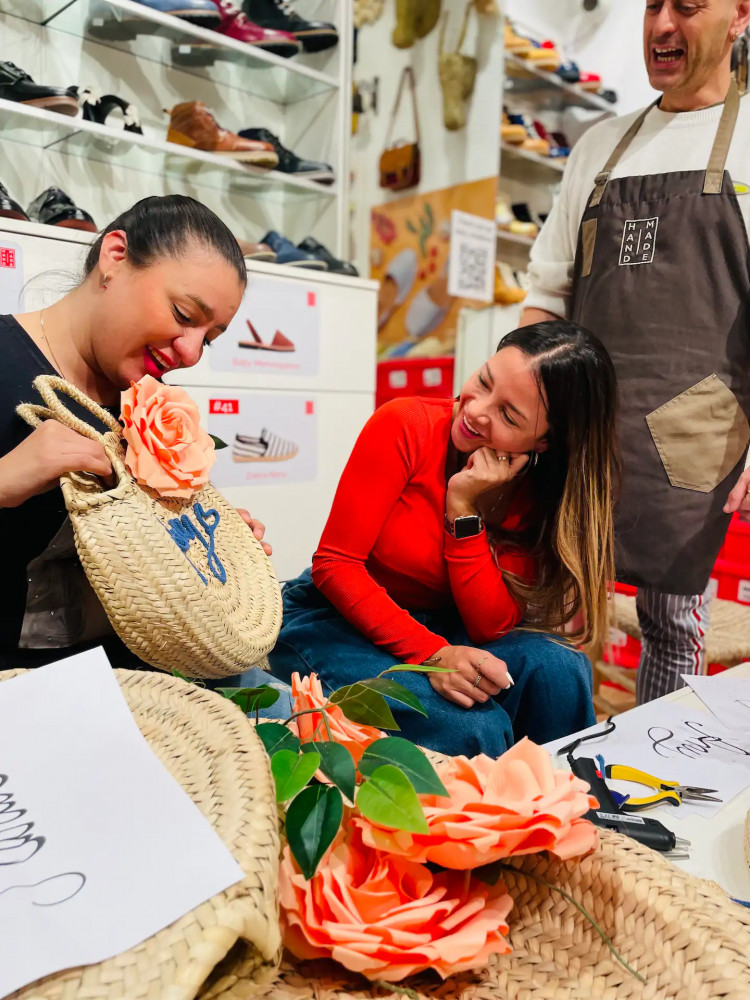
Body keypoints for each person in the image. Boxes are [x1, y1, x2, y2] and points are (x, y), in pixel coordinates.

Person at [521, 0, 750, 703]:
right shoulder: (600, 145)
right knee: (545, 607)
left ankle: (660, 780)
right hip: (582, 418)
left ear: (740, 14)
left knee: (673, 620)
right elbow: (547, 290)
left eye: (687, 6)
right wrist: (516, 401)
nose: (661, 25)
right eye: (653, 4)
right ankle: (544, 771)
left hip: (697, 430)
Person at [269, 320, 618, 758]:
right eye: (484, 381)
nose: (475, 410)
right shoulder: (405, 424)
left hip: (445, 628)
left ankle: (570, 812)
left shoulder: (541, 490)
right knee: (471, 726)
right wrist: (433, 653)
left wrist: (463, 506)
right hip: (334, 619)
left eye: (509, 414)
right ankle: (483, 823)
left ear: (545, 444)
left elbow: (489, 625)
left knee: (561, 672)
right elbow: (335, 565)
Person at [0, 194, 270, 671]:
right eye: (185, 315)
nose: (190, 353)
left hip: (145, 680)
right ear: (115, 256)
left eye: (209, 338)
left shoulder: (148, 406)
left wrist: (204, 543)